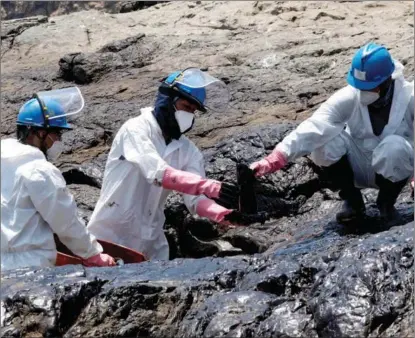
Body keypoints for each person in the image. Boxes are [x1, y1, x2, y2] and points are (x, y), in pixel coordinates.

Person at [87, 68, 248, 261]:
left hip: (151, 242)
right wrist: (209, 186)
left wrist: (224, 214)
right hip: (110, 236)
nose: (189, 114)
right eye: (185, 106)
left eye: (193, 110)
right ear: (167, 100)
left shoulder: (188, 151)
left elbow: (195, 201)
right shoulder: (135, 129)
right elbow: (157, 173)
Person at [249, 42, 414, 223]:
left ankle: (386, 205)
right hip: (358, 165)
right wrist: (275, 159)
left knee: (395, 146)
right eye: (360, 87)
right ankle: (352, 201)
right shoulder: (350, 96)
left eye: (369, 87)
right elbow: (314, 127)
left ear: (386, 81)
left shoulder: (409, 97)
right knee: (324, 143)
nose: (363, 92)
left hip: (396, 169)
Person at [1, 87, 116, 271]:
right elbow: (65, 220)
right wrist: (92, 254)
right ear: (39, 133)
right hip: (30, 267)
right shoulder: (39, 170)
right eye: (56, 133)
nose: (59, 140)